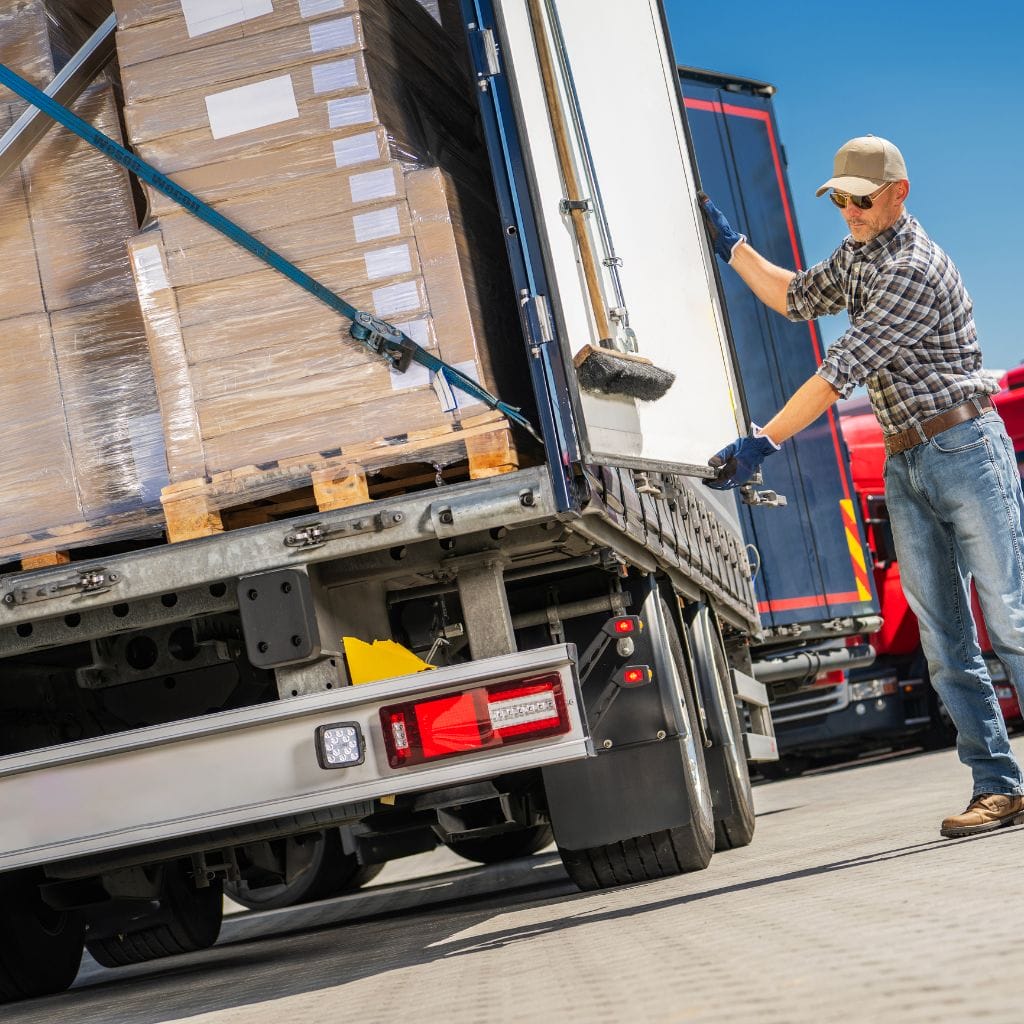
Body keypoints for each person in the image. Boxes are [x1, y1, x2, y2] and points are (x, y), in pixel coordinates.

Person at [700, 134, 1024, 839]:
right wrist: (731, 245)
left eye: (860, 197)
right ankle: (998, 787)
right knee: (944, 641)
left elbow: (837, 369)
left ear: (898, 194)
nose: (846, 208)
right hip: (906, 463)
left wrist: (764, 440)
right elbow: (793, 298)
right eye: (838, 197)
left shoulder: (912, 268)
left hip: (965, 447)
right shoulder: (858, 257)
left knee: (1010, 619)